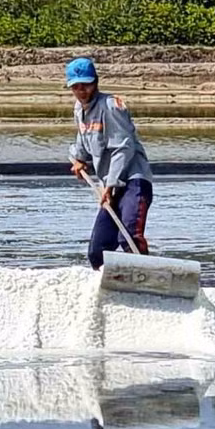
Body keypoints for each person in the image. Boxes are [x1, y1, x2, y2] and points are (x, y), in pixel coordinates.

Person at [65, 57, 154, 270]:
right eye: (76, 87)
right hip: (109, 186)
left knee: (129, 237)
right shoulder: (79, 109)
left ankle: (146, 276)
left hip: (132, 181)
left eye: (86, 85)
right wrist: (79, 159)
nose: (81, 91)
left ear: (95, 82)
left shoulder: (111, 106)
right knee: (98, 252)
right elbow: (83, 139)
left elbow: (123, 147)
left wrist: (111, 184)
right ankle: (110, 283)